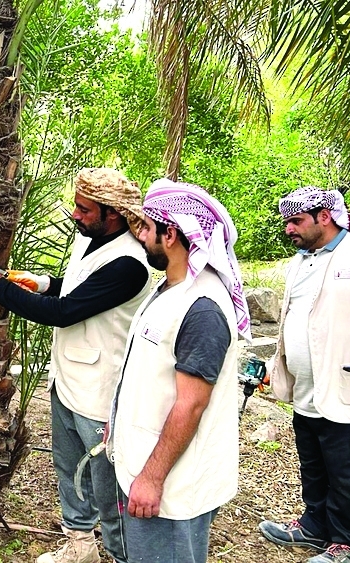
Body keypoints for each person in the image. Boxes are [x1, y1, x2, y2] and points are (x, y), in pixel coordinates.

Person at [0, 168, 151, 563]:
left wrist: (0, 288)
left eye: (85, 209)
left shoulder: (130, 264)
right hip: (68, 379)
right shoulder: (90, 239)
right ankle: (81, 546)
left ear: (114, 214)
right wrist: (41, 283)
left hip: (99, 392)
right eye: (76, 206)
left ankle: (122, 554)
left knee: (107, 482)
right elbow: (75, 290)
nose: (75, 214)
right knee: (69, 468)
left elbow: (67, 312)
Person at [106, 178, 249, 563]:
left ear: (171, 235)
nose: (141, 237)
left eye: (147, 228)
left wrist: (152, 478)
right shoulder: (172, 288)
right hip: (148, 464)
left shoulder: (202, 308)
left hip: (172, 485)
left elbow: (191, 405)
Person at [258, 186, 350, 563]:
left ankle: (349, 544)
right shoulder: (301, 261)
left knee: (348, 475)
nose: (288, 229)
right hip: (306, 389)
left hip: (348, 388)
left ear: (324, 216)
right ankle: (315, 528)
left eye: (296, 220)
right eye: (287, 221)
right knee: (314, 465)